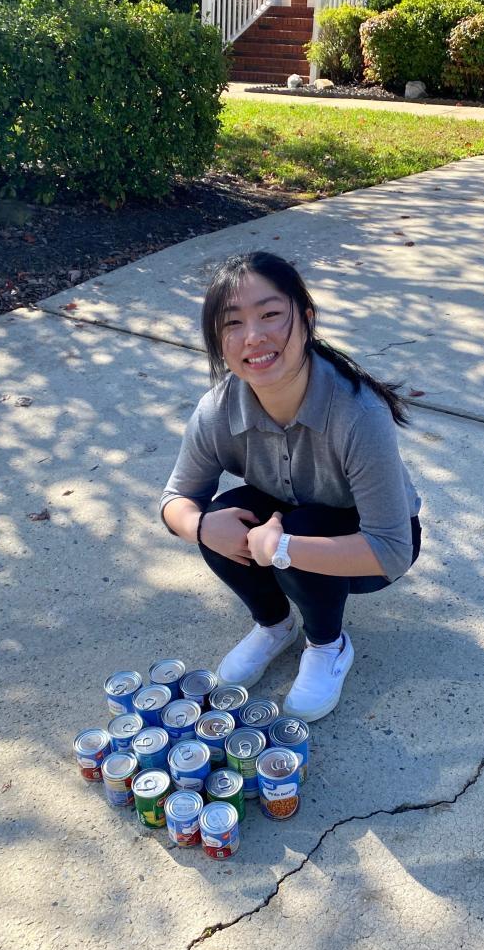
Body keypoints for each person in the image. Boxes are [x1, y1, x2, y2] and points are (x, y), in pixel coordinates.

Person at [159, 252, 422, 723]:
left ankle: (327, 644)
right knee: (222, 514)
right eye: (232, 323)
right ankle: (275, 625)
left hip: (368, 545)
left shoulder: (358, 414)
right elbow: (175, 499)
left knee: (301, 531)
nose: (253, 337)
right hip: (287, 516)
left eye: (270, 314)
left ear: (306, 318)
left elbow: (393, 550)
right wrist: (200, 527)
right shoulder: (217, 409)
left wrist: (284, 549)